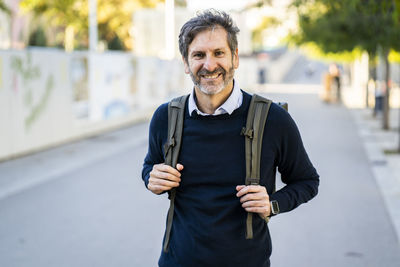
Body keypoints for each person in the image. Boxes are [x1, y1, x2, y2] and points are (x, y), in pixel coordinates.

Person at [142, 9, 319, 267]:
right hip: (177, 261)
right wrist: (151, 177)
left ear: (235, 57)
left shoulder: (273, 119)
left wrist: (272, 204)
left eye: (219, 53)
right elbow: (150, 166)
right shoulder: (165, 117)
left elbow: (307, 181)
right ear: (185, 62)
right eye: (199, 55)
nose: (209, 65)